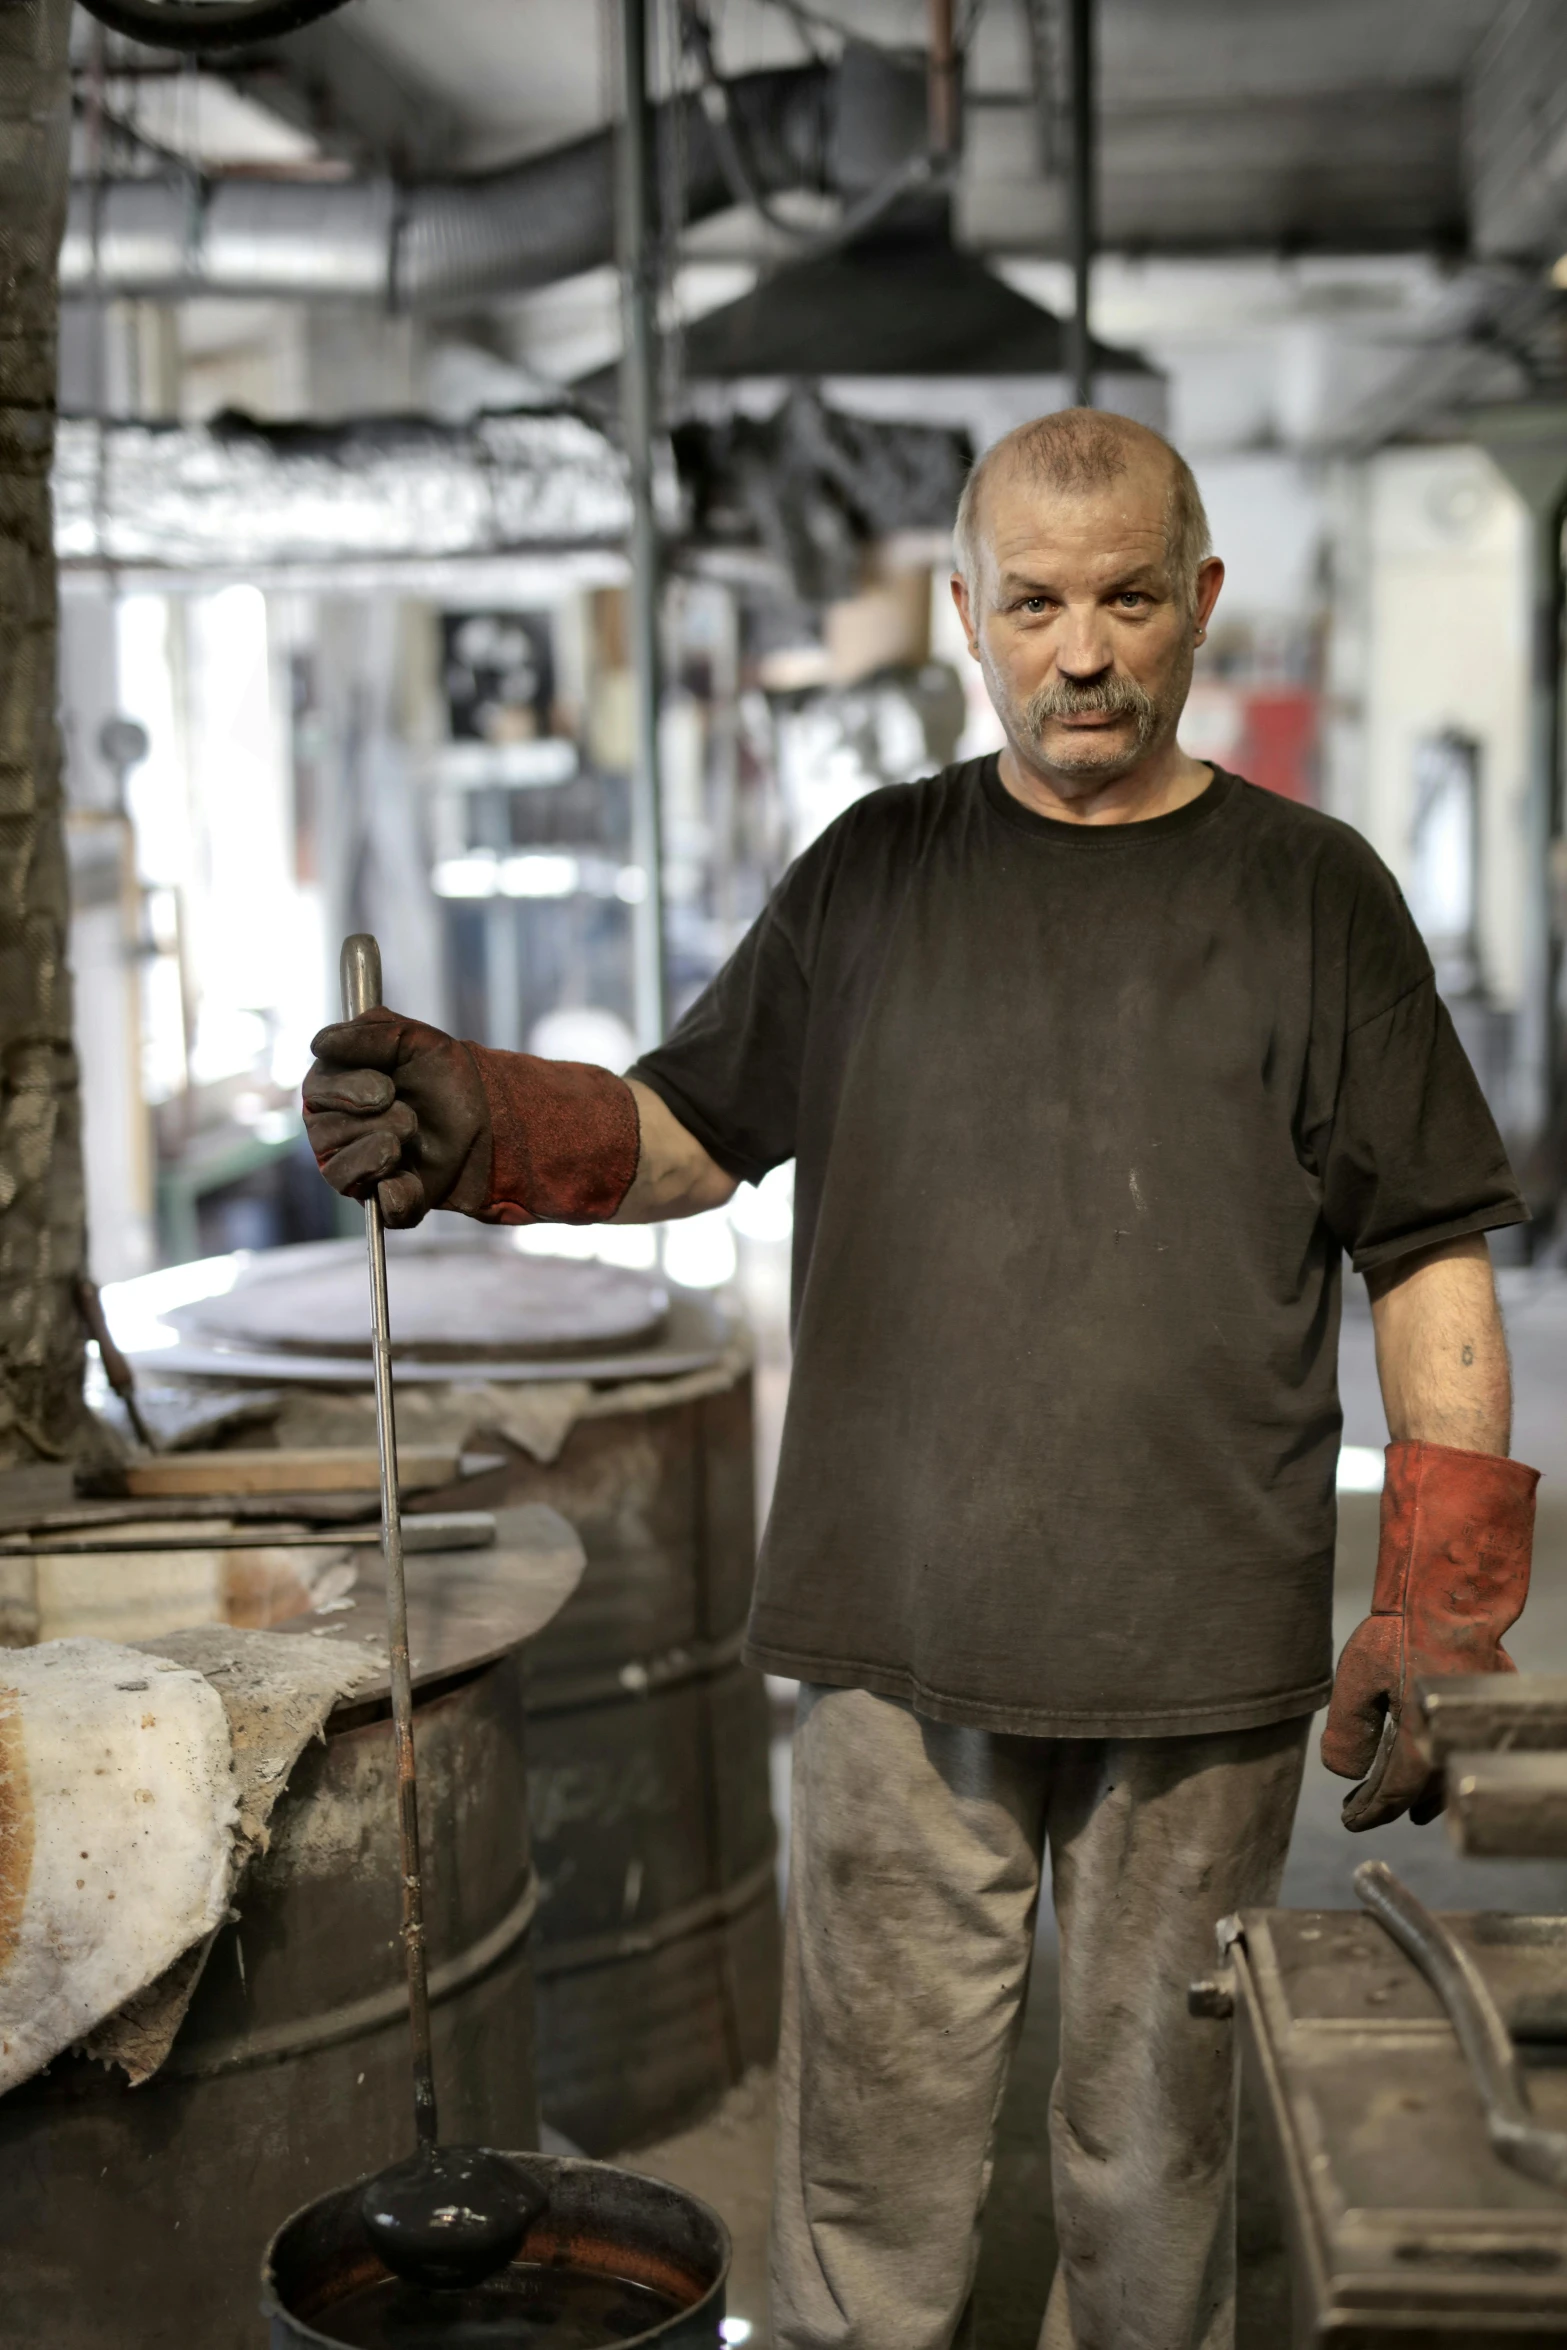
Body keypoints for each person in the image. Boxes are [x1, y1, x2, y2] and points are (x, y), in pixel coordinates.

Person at [303, 410, 1538, 2350]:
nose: (1084, 649)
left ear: (1199, 600)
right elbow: (698, 1122)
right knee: (873, 2163)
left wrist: (1440, 1594)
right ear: (968, 612)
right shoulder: (877, 870)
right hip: (901, 1628)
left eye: (1129, 597)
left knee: (1153, 2157)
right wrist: (486, 1121)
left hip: (1199, 1639)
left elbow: (1432, 1245)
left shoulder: (1317, 895)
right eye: (1035, 602)